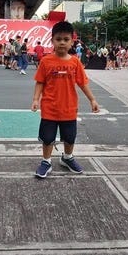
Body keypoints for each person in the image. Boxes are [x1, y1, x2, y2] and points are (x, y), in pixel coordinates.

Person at [31, 21, 100, 178]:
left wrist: (93, 100)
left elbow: (83, 83)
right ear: (52, 40)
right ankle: (46, 162)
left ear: (72, 41)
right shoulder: (45, 61)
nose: (62, 42)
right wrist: (35, 99)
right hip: (49, 108)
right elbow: (40, 82)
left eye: (66, 39)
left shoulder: (75, 62)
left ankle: (67, 158)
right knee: (47, 138)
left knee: (70, 137)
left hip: (69, 108)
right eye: (58, 39)